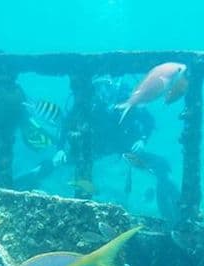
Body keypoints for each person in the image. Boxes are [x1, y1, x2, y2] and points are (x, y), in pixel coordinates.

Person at [17, 76, 180, 225]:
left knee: (162, 165)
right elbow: (67, 123)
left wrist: (142, 140)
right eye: (99, 86)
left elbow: (148, 120)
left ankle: (172, 216)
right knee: (58, 161)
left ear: (114, 84)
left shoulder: (127, 96)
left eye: (107, 86)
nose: (103, 92)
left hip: (124, 146)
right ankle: (18, 186)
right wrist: (60, 149)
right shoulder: (88, 101)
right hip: (95, 147)